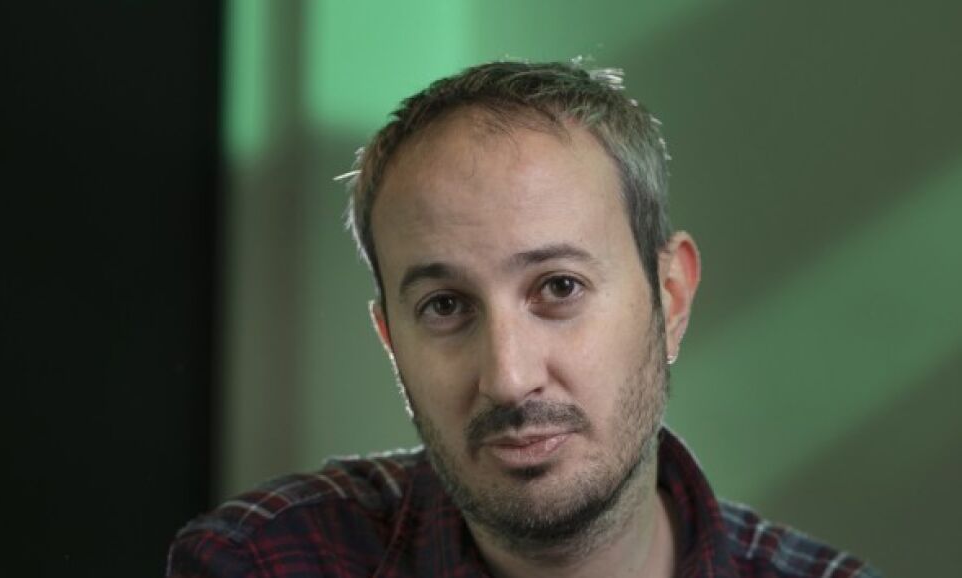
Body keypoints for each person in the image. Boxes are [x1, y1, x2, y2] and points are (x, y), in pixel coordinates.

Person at [167, 61, 880, 578]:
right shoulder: (263, 562)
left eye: (559, 287)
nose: (508, 378)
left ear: (670, 297)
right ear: (391, 341)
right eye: (445, 306)